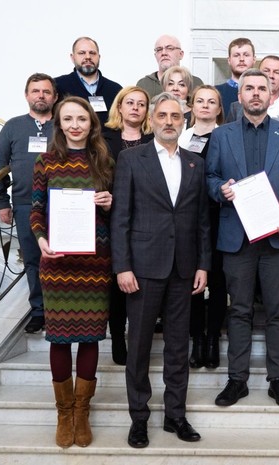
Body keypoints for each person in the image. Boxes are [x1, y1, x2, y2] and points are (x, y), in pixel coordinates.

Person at [112, 92, 211, 447]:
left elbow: (202, 220)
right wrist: (122, 266)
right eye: (163, 115)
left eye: (175, 116)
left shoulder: (195, 163)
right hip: (142, 268)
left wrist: (203, 265)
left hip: (183, 268)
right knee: (138, 347)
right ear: (151, 119)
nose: (169, 121)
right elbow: (120, 217)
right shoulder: (130, 159)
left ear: (184, 121)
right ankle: (139, 418)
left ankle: (175, 415)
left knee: (178, 347)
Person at [206, 69, 279, 408]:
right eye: (249, 88)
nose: (255, 93)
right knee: (239, 311)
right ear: (240, 95)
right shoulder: (221, 135)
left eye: (262, 88)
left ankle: (278, 380)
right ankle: (237, 380)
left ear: (271, 94)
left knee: (277, 312)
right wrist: (219, 190)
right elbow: (210, 177)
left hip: (277, 237)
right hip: (237, 237)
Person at [29, 96, 114, 448]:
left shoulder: (104, 161)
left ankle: (82, 411)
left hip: (95, 264)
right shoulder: (46, 162)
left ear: (92, 123)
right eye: (68, 119)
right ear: (59, 124)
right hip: (58, 264)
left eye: (82, 118)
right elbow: (36, 210)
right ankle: (64, 413)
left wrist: (110, 203)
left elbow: (120, 214)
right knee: (60, 338)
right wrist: (41, 239)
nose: (75, 125)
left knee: (91, 337)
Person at [0, 73, 57, 334]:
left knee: (60, 259)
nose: (41, 96)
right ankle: (39, 311)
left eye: (46, 91)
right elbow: (0, 167)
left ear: (54, 96)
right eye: (35, 91)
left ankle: (59, 309)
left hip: (61, 204)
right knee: (32, 259)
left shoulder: (63, 125)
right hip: (24, 204)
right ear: (27, 95)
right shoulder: (13, 126)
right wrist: (2, 201)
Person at [102, 86, 154, 364]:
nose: (135, 108)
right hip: (111, 217)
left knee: (141, 282)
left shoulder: (153, 139)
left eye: (141, 104)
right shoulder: (103, 138)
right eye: (130, 102)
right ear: (119, 107)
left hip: (146, 221)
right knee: (116, 283)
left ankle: (138, 337)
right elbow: (95, 173)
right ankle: (117, 337)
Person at [178, 85, 228, 369]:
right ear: (192, 106)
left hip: (219, 216)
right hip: (187, 219)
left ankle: (212, 339)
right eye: (200, 101)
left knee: (218, 280)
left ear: (219, 108)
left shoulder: (227, 137)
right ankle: (196, 338)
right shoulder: (181, 137)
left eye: (211, 102)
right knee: (191, 280)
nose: (205, 105)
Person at [225, 55, 279, 148]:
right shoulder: (236, 108)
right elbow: (227, 141)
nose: (271, 76)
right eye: (266, 71)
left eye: (276, 72)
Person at [54, 37, 122, 126]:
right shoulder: (57, 85)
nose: (88, 57)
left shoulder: (115, 89)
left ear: (99, 57)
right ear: (72, 57)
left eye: (92, 53)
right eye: (82, 53)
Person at [136, 34, 205, 99]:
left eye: (169, 48)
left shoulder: (195, 83)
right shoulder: (144, 84)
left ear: (181, 54)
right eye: (159, 49)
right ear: (155, 56)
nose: (164, 53)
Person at [216, 37, 256, 114]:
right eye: (236, 55)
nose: (241, 59)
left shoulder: (261, 92)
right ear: (229, 60)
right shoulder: (215, 92)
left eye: (246, 55)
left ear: (254, 59)